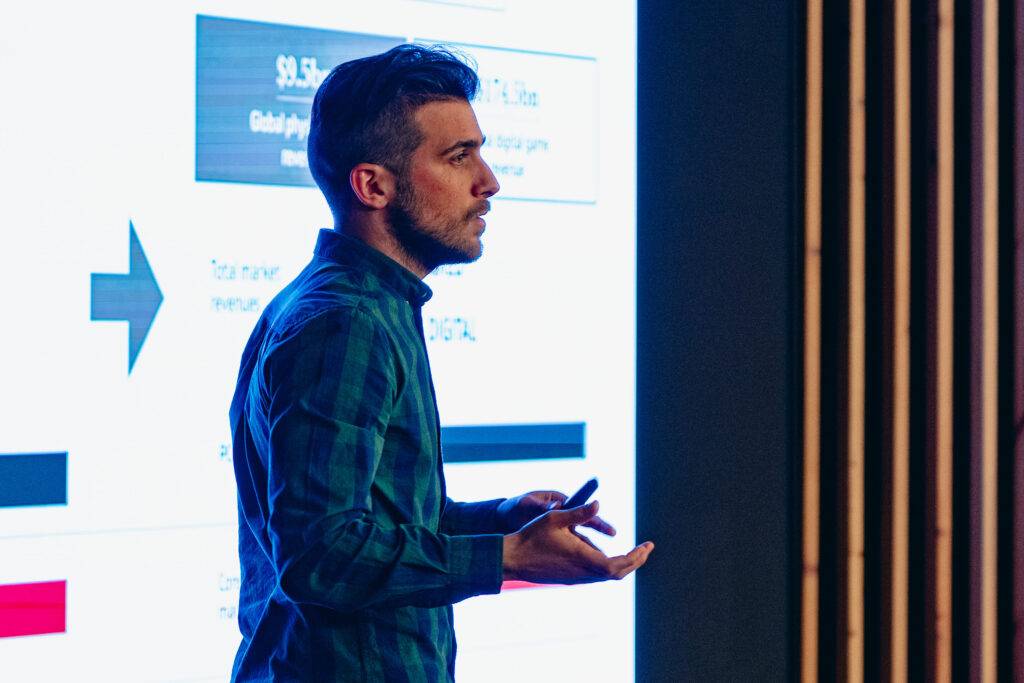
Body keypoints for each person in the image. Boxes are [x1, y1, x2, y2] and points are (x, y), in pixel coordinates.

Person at [227, 44, 653, 682]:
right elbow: (320, 556)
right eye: (459, 157)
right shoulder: (347, 322)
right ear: (373, 185)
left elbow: (377, 523)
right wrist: (508, 556)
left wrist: (501, 520)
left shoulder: (362, 305)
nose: (489, 181)